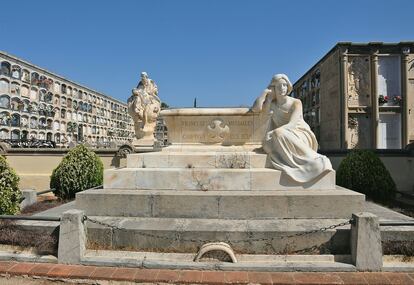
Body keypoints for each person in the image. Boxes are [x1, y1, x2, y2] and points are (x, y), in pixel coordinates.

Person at [251, 74, 332, 183]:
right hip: (281, 135)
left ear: (288, 87)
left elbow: (292, 124)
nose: (282, 88)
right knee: (266, 143)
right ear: (273, 88)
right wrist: (266, 94)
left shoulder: (295, 102)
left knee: (278, 133)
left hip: (299, 133)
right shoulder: (272, 104)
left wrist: (275, 131)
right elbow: (256, 109)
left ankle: (315, 159)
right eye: (279, 86)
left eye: (284, 85)